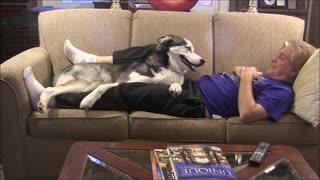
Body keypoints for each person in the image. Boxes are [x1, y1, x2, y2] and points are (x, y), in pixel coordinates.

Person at [23, 39, 316, 122]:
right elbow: (239, 68)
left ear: (292, 70)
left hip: (196, 104)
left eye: (281, 57)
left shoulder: (281, 92)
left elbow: (250, 113)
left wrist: (247, 79)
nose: (274, 58)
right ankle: (91, 60)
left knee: (130, 92)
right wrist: (245, 73)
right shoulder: (263, 77)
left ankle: (54, 96)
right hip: (192, 86)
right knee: (158, 47)